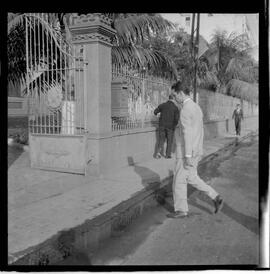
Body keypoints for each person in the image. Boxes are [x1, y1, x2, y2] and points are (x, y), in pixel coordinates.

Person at [168, 81, 223, 218]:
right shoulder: (196, 107)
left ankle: (181, 210)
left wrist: (187, 155)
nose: (174, 98)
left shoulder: (185, 110)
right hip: (196, 150)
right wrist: (196, 150)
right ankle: (215, 197)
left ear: (181, 93)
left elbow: (188, 133)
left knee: (179, 181)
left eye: (175, 95)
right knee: (192, 178)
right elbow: (199, 131)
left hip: (186, 152)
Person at [154, 94, 180, 159]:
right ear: (173, 99)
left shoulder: (163, 105)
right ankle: (167, 155)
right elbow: (176, 119)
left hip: (162, 125)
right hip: (170, 127)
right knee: (169, 141)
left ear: (169, 98)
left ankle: (158, 153)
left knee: (161, 140)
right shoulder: (175, 108)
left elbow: (155, 111)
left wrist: (157, 115)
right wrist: (174, 125)